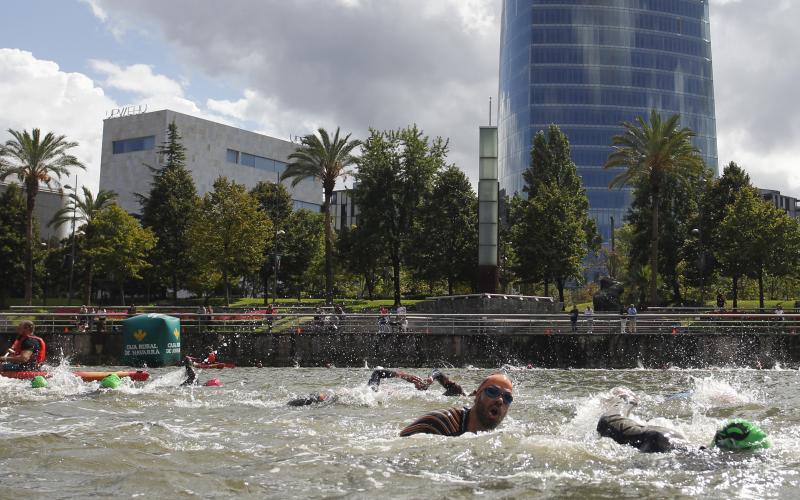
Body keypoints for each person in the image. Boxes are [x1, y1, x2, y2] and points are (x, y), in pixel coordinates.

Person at [399, 372, 513, 437]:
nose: (500, 400)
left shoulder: (500, 437)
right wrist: (431, 378)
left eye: (507, 397)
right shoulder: (441, 422)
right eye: (492, 392)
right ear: (476, 395)